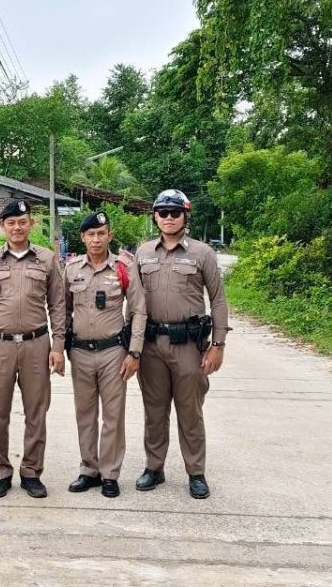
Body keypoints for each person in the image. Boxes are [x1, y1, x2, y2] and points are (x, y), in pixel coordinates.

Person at [128, 189, 230, 499]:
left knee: (190, 411)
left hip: (188, 345)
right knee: (154, 411)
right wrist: (131, 345)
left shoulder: (202, 253)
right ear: (155, 217)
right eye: (163, 213)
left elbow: (218, 299)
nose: (169, 218)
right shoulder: (143, 253)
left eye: (175, 213)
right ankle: (154, 467)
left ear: (185, 216)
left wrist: (218, 344)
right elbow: (134, 302)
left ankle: (196, 472)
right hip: (151, 345)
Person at [0, 199, 67, 499]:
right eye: (11, 223)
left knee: (36, 410)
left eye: (22, 222)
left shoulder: (47, 259)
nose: (17, 227)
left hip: (36, 344)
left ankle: (31, 472)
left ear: (31, 224)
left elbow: (58, 305)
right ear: (3, 226)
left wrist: (58, 345)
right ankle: (0, 471)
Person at [64, 211, 146, 498]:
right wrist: (60, 347)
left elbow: (138, 311)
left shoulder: (123, 267)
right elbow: (62, 310)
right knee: (85, 414)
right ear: (83, 237)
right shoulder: (71, 268)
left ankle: (110, 473)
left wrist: (134, 352)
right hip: (80, 352)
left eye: (101, 233)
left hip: (114, 352)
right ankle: (89, 470)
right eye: (91, 234)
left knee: (113, 415)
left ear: (110, 235)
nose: (96, 239)